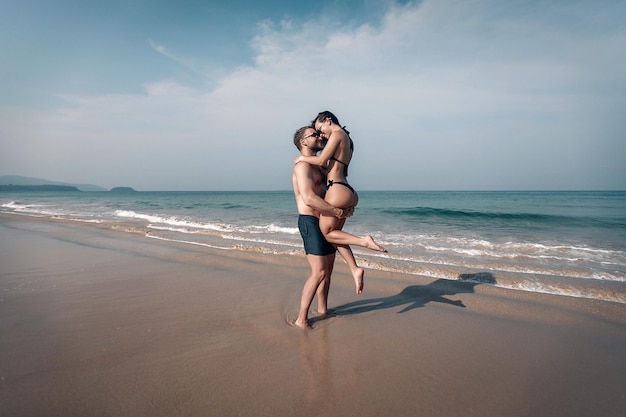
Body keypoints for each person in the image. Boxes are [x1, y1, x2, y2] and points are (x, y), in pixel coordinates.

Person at [295, 111, 386, 294]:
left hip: (337, 189)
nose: (321, 134)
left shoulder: (337, 134)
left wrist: (302, 158)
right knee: (336, 235)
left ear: (328, 120)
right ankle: (354, 268)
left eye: (320, 129)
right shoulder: (348, 139)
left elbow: (321, 160)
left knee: (327, 233)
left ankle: (364, 242)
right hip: (348, 190)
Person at [292, 126, 352, 329]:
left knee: (328, 272)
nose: (319, 137)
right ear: (303, 142)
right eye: (314, 135)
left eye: (318, 134)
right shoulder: (302, 167)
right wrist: (337, 213)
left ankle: (323, 309)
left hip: (324, 222)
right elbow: (309, 198)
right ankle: (301, 318)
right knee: (318, 272)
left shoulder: (321, 166)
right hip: (310, 222)